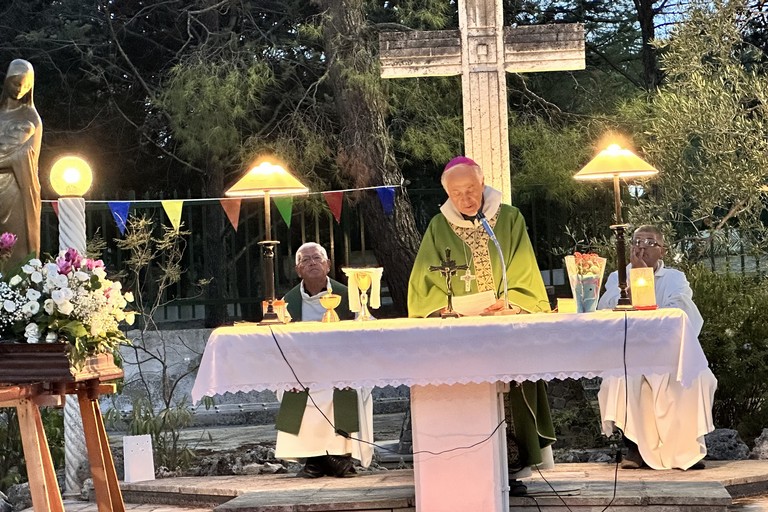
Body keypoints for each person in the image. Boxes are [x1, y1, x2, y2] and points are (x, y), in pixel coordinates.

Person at [407, 156, 556, 495]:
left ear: (482, 184)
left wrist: (512, 303)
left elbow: (523, 270)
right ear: (448, 194)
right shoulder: (438, 226)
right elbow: (422, 288)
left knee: (508, 394)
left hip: (503, 329)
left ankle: (513, 470)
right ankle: (466, 465)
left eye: (471, 190)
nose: (466, 199)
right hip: (458, 334)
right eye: (457, 193)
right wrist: (444, 309)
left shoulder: (509, 218)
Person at [597, 225, 716, 470]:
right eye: (637, 242)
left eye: (650, 243)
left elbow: (680, 309)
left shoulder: (675, 277)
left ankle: (686, 451)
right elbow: (605, 308)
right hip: (632, 352)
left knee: (696, 378)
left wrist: (645, 280)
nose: (642, 247)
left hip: (669, 354)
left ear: (662, 251)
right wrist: (631, 281)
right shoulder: (617, 276)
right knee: (623, 379)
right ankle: (634, 448)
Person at [276, 242, 374, 478]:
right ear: (298, 269)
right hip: (304, 370)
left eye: (317, 258)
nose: (312, 263)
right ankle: (315, 458)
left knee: (347, 388)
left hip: (342, 367)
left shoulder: (348, 293)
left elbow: (366, 328)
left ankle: (339, 457)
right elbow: (281, 339)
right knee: (289, 387)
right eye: (305, 260)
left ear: (328, 265)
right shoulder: (287, 302)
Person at [0, 59, 42, 267]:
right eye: (17, 83)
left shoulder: (31, 116)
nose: (21, 89)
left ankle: (17, 294)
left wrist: (5, 159)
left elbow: (29, 156)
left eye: (26, 85)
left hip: (17, 187)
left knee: (16, 242)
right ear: (7, 80)